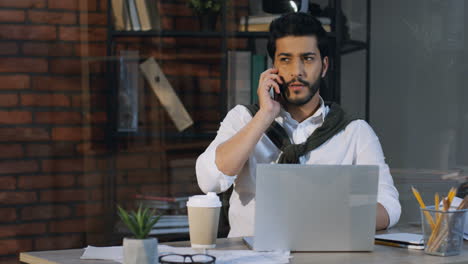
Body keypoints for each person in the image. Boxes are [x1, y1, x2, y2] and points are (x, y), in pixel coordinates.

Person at [196, 12, 401, 238]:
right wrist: (264, 116)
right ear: (272, 67)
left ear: (323, 67)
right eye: (285, 59)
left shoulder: (355, 131)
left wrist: (325, 216)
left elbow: (389, 206)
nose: (297, 71)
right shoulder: (244, 119)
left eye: (307, 58)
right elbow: (209, 180)